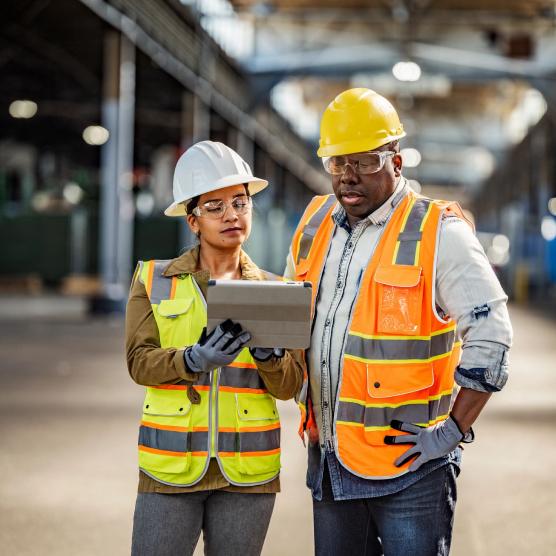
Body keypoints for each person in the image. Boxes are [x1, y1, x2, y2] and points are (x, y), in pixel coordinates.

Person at [285, 88, 513, 555]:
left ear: (396, 161)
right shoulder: (314, 225)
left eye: (366, 161)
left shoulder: (438, 232)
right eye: (337, 162)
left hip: (413, 471)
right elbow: (289, 319)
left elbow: (493, 335)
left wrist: (451, 431)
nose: (349, 177)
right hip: (330, 459)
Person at [126, 140, 304, 556]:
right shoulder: (154, 280)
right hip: (170, 465)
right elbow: (138, 363)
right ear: (192, 220)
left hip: (247, 471)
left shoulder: (278, 291)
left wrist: (271, 360)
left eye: (240, 203)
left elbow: (290, 386)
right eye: (215, 206)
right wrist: (191, 360)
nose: (231, 215)